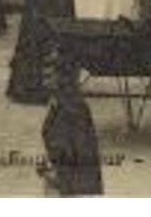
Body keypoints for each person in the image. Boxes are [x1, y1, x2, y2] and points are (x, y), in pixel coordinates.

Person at [39, 57, 103, 197]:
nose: (44, 82)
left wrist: (56, 173)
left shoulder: (72, 108)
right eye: (43, 77)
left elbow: (76, 150)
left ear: (62, 77)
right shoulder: (61, 102)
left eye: (49, 77)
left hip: (71, 187)